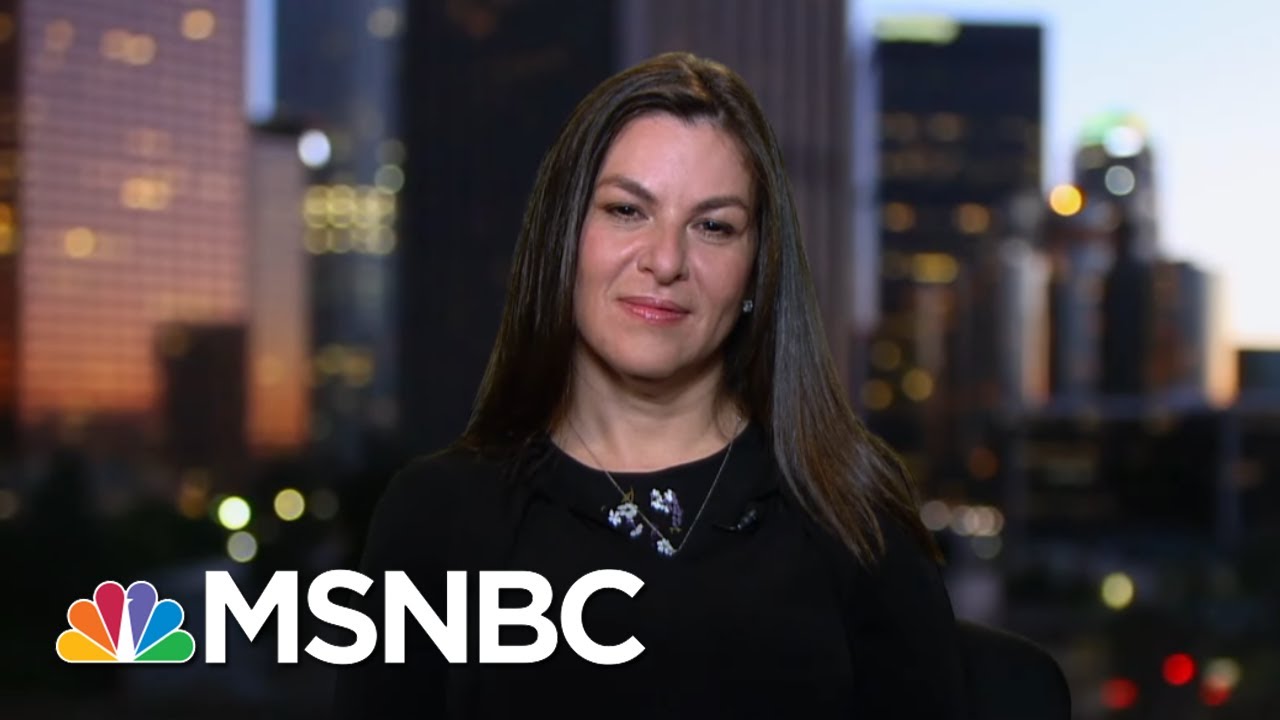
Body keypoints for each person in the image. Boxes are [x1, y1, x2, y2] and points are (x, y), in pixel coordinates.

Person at [333, 51, 967, 719]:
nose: (666, 261)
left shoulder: (850, 508)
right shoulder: (435, 516)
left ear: (756, 271)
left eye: (713, 226)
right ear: (564, 236)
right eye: (627, 210)